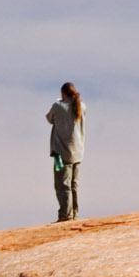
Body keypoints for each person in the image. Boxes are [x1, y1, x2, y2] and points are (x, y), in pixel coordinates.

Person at [46, 82, 85, 221]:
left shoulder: (58, 106)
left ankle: (65, 215)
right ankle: (74, 213)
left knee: (62, 185)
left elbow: (49, 118)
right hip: (78, 151)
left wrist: (58, 102)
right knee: (74, 184)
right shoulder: (82, 106)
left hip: (60, 152)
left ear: (63, 93)